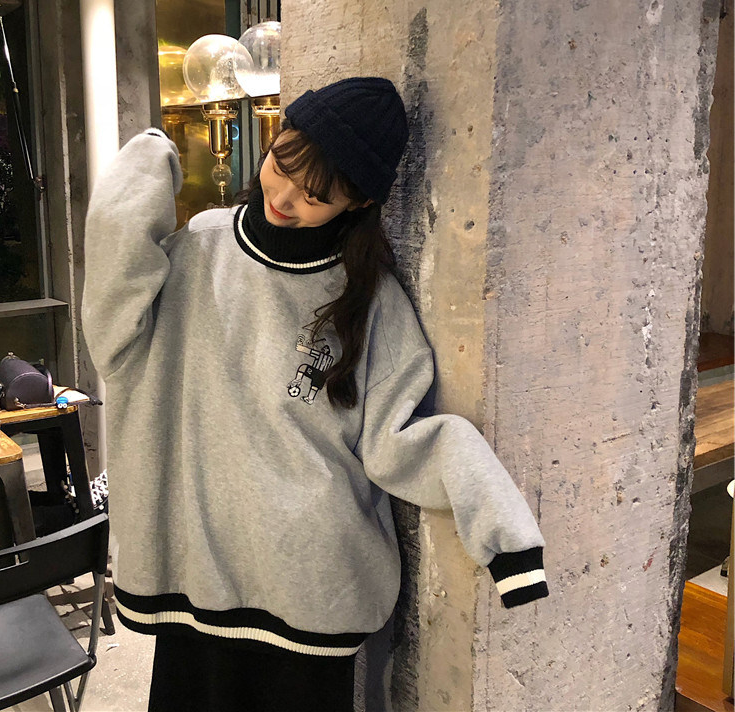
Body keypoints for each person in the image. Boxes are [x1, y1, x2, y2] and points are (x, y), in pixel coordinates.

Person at [82, 77, 549, 712]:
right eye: (281, 164)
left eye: (315, 194)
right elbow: (115, 333)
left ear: (358, 203)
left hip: (309, 584)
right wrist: (132, 187)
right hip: (193, 569)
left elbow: (403, 441)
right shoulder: (199, 247)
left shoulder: (367, 297)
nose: (283, 197)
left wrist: (505, 535)